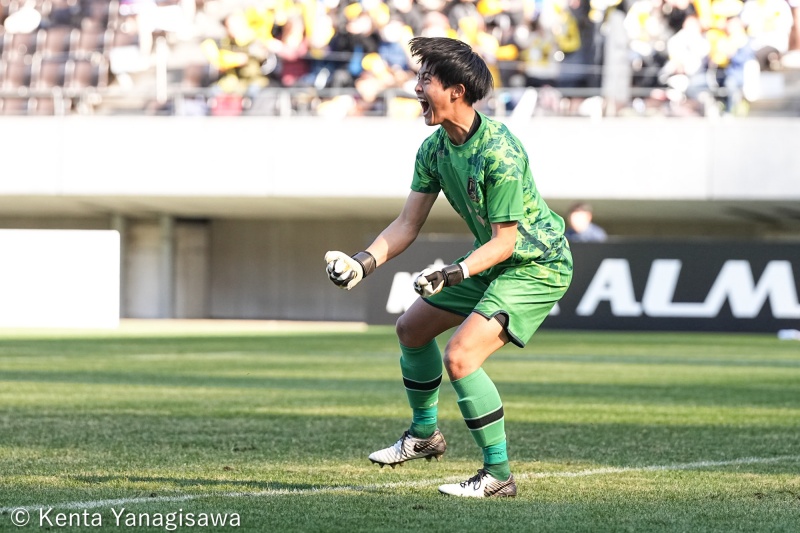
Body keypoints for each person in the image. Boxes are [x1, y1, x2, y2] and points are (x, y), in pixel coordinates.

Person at [324, 37, 573, 498]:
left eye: (425, 79)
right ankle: (425, 437)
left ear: (456, 90)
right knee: (411, 330)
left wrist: (454, 272)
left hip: (537, 265)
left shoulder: (500, 151)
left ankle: (498, 476)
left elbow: (507, 241)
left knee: (460, 357)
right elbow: (407, 223)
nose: (416, 87)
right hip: (491, 261)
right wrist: (363, 263)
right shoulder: (434, 149)